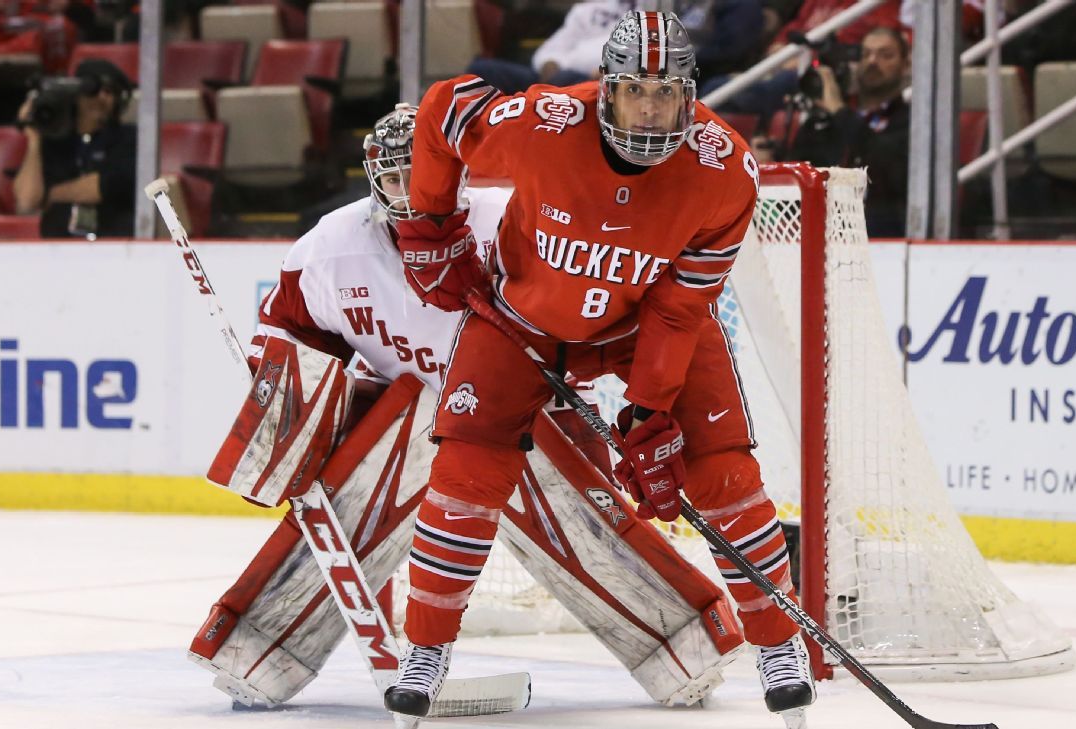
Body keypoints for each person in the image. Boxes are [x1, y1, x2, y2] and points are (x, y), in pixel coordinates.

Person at [190, 104, 745, 712]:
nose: (408, 190)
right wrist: (284, 424)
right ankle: (259, 652)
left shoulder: (510, 216)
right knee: (351, 520)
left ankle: (686, 644)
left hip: (524, 417)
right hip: (404, 428)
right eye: (393, 176)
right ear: (372, 177)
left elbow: (589, 308)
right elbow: (292, 347)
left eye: (420, 171)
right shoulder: (326, 250)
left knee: (586, 530)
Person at [383, 9, 815, 725]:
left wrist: (647, 411)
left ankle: (778, 646)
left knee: (723, 475)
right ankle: (426, 650)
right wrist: (431, 225)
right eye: (636, 90)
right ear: (606, 88)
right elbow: (440, 110)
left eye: (668, 91)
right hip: (522, 318)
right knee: (465, 474)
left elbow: (679, 311)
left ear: (691, 93)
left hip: (646, 324)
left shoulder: (724, 169)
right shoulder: (540, 123)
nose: (652, 109)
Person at [787, 25, 910, 237]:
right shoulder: (830, 118)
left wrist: (839, 111)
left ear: (905, 65)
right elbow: (798, 172)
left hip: (880, 233)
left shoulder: (912, 120)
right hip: (820, 230)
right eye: (865, 54)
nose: (872, 61)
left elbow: (886, 162)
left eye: (885, 55)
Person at [13, 58, 137, 238]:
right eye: (92, 90)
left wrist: (49, 195)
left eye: (110, 91)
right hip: (56, 250)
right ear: (76, 93)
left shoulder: (129, 138)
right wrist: (34, 139)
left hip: (113, 246)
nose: (101, 97)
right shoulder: (54, 141)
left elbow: (101, 187)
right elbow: (27, 200)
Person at [466, 0, 631, 94]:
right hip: (554, 76)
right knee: (482, 70)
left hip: (592, 80)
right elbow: (555, 45)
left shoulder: (648, 10)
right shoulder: (589, 9)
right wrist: (549, 62)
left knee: (565, 79)